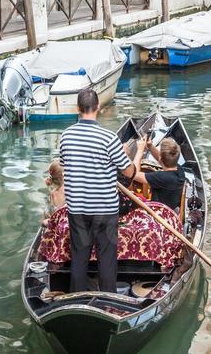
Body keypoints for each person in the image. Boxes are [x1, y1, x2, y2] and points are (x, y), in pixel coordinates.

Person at [59, 87, 135, 293]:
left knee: (80, 257)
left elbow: (65, 164)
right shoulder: (109, 138)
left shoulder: (65, 137)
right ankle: (108, 300)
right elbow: (128, 172)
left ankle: (76, 298)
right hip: (105, 210)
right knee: (107, 259)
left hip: (78, 209)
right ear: (98, 107)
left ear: (78, 108)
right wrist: (132, 164)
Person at [130, 136, 185, 212]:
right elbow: (163, 160)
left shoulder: (161, 177)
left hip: (158, 212)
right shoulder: (180, 170)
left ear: (161, 159)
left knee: (130, 200)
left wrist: (140, 150)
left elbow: (133, 174)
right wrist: (150, 146)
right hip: (171, 209)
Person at [38, 161, 70, 264]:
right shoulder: (71, 189)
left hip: (56, 230)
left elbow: (48, 217)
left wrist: (45, 222)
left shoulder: (52, 194)